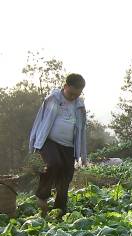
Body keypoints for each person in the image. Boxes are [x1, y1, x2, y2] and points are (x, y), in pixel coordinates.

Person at [28, 73, 88, 217]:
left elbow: (82, 129)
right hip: (49, 141)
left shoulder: (79, 106)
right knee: (53, 163)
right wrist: (34, 141)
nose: (73, 96)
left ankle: (60, 210)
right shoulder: (53, 99)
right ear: (65, 86)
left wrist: (83, 155)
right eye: (71, 93)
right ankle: (42, 196)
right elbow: (40, 120)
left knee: (66, 176)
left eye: (77, 94)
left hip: (69, 146)